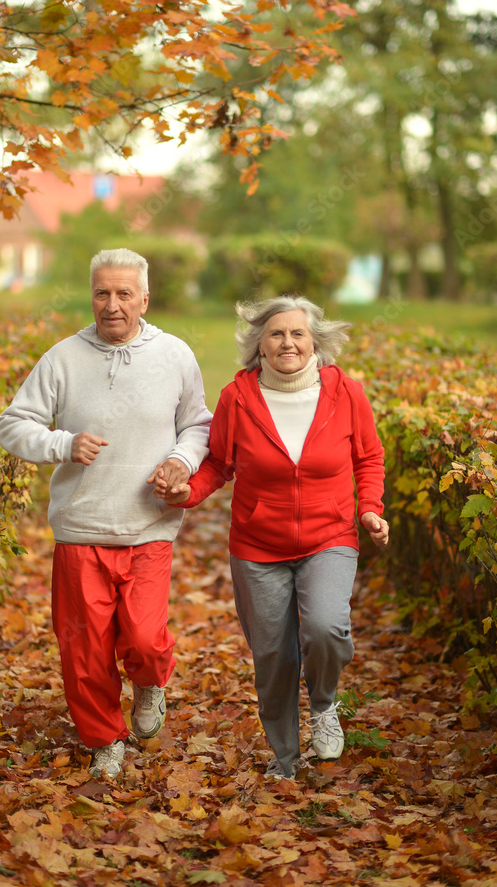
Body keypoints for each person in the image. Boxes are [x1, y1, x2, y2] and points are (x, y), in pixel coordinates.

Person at [0, 248, 211, 779]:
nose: (111, 305)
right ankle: (103, 738)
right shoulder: (63, 357)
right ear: (91, 295)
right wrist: (64, 444)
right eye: (101, 293)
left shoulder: (175, 354)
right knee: (85, 650)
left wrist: (181, 462)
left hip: (148, 526)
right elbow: (12, 425)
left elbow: (199, 425)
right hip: (81, 526)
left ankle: (150, 683)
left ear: (144, 297)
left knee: (143, 637)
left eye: (122, 294)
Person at [154, 295, 388, 779]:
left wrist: (369, 509)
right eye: (276, 333)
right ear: (258, 342)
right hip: (258, 546)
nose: (288, 342)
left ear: (315, 342)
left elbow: (369, 458)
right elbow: (219, 463)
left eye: (298, 333)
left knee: (326, 627)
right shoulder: (237, 398)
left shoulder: (347, 393)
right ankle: (285, 760)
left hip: (331, 534)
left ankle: (324, 705)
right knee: (274, 656)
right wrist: (186, 493)